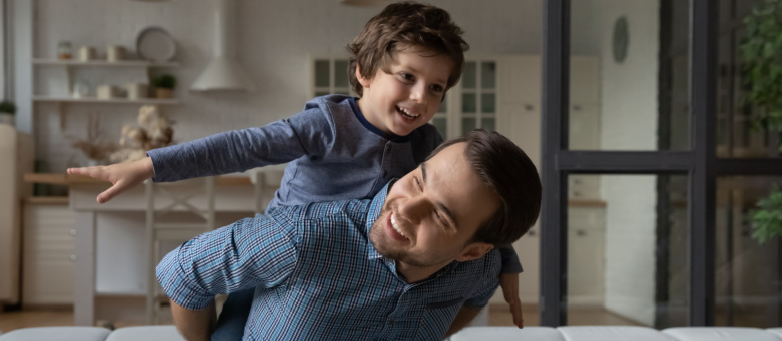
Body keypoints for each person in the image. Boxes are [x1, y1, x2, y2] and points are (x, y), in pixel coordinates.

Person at [67, 1, 526, 337]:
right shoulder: (327, 125)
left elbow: (469, 211)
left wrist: (506, 262)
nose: (421, 97)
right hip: (283, 260)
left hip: (360, 272)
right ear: (364, 71)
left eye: (436, 88)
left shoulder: (428, 145)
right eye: (406, 77)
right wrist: (149, 163)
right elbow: (241, 147)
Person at [157, 130, 542, 341]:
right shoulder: (301, 236)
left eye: (440, 216)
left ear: (472, 250)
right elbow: (183, 271)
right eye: (417, 180)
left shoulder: (481, 268)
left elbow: (476, 294)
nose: (405, 208)